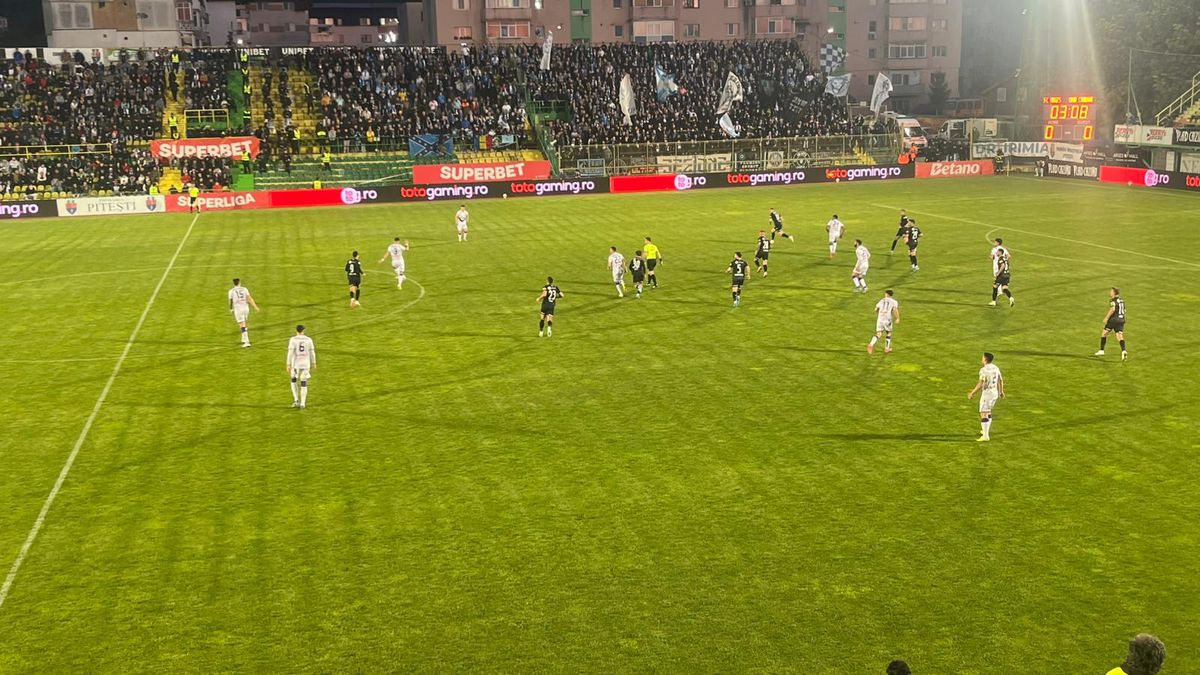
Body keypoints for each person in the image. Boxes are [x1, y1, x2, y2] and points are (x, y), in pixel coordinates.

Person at [967, 352, 1005, 442]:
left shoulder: (984, 370)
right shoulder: (996, 367)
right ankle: (985, 430)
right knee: (988, 412)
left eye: (982, 357)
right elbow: (1000, 380)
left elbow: (981, 383)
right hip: (994, 393)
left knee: (983, 413)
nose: (981, 358)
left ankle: (985, 436)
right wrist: (1001, 391)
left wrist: (972, 393)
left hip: (987, 394)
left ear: (985, 359)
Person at [286, 324, 316, 409]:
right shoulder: (309, 339)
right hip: (306, 364)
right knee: (303, 382)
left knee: (293, 380)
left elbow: (290, 353)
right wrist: (314, 362)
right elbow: (312, 352)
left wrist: (288, 364)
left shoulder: (292, 340)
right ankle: (303, 403)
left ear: (296, 331)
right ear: (303, 330)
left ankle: (296, 400)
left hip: (296, 364)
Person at [1095, 287, 1128, 360]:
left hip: (1114, 320)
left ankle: (1101, 350)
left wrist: (1106, 318)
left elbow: (1112, 309)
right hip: (1121, 320)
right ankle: (1123, 351)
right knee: (1119, 336)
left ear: (1114, 293)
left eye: (1111, 291)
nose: (1110, 292)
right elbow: (1124, 310)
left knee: (1104, 333)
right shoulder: (1122, 300)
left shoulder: (1113, 300)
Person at [227, 278, 260, 348]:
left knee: (242, 325)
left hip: (238, 309)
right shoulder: (245, 289)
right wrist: (255, 307)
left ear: (234, 283)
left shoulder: (231, 291)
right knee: (243, 323)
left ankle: (247, 342)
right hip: (246, 308)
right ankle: (243, 338)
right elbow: (249, 298)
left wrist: (231, 308)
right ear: (239, 282)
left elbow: (230, 301)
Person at [868, 289, 899, 354]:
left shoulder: (882, 300)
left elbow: (876, 309)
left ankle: (871, 344)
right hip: (887, 319)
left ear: (887, 294)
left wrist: (879, 314)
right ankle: (887, 348)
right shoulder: (894, 301)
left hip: (880, 319)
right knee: (889, 333)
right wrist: (897, 318)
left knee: (879, 333)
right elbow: (895, 309)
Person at [991, 242, 1014, 307]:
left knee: (995, 286)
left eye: (997, 252)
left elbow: (1003, 265)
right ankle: (1010, 298)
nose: (996, 253)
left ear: (1000, 252)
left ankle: (993, 301)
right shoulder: (1005, 258)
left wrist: (998, 273)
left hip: (1001, 275)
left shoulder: (1000, 258)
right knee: (1004, 288)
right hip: (1007, 275)